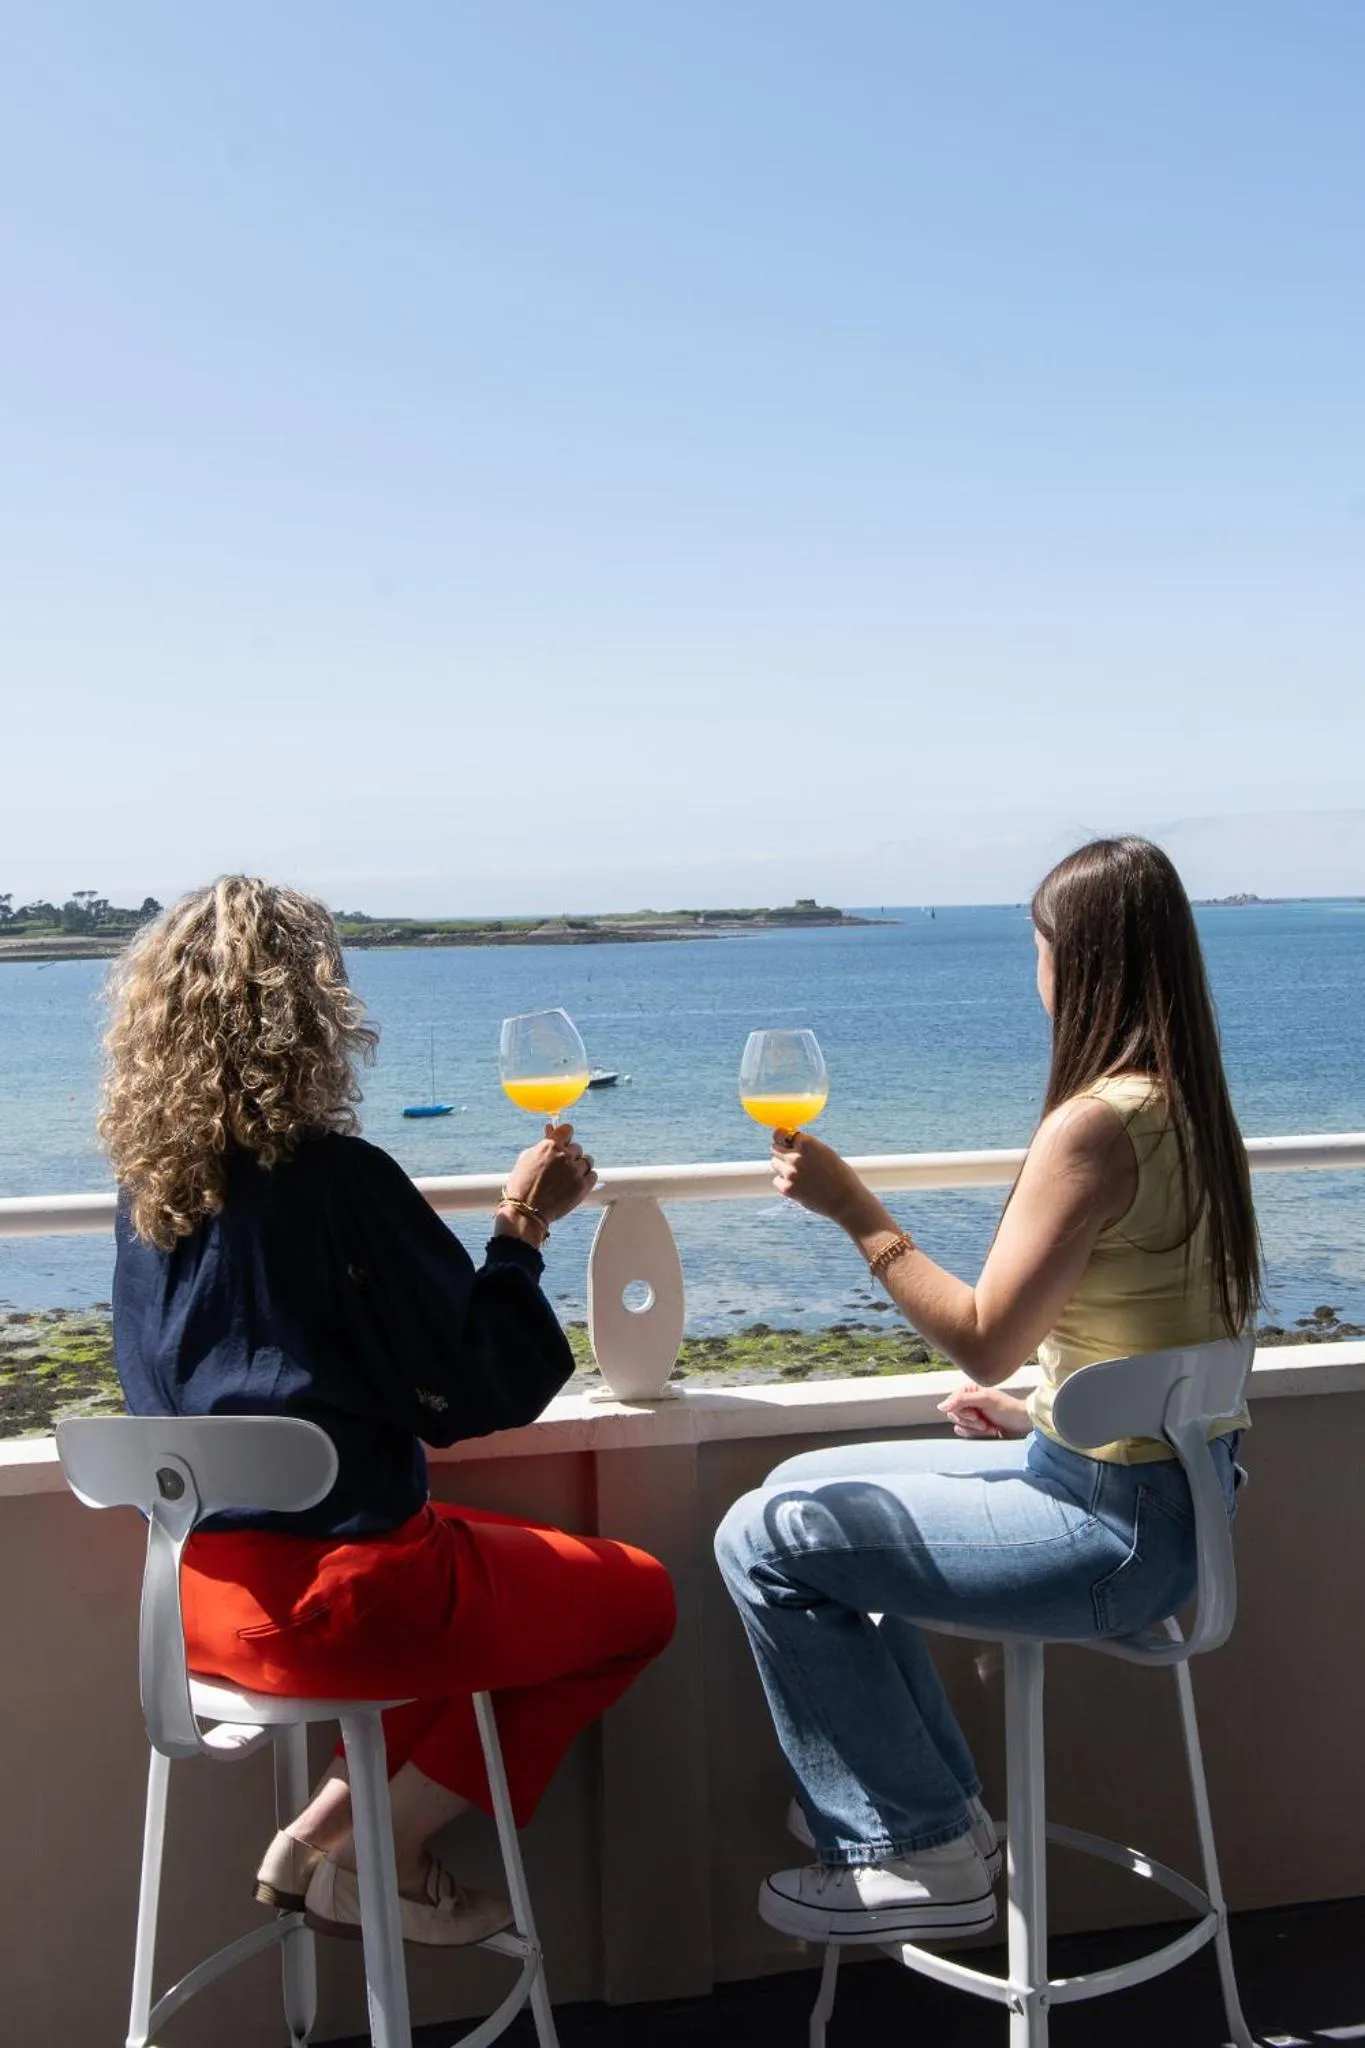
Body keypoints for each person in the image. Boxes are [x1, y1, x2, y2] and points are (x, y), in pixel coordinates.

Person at [101, 877, 675, 1946]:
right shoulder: (339, 1182)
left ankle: (320, 1833)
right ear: (313, 1017)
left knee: (475, 1559)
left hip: (193, 1610)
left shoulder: (149, 1199)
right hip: (344, 1612)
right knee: (638, 1598)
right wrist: (522, 1224)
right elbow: (480, 1385)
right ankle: (380, 1848)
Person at [714, 837, 1258, 1947]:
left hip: (1109, 1533)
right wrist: (1044, 1412)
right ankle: (932, 1814)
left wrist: (853, 1207)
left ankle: (919, 1846)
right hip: (1179, 1498)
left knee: (759, 1538)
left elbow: (982, 1340)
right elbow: (1155, 1328)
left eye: (1039, 949)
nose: (1034, 971)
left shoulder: (1094, 1123)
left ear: (1077, 961)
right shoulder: (1191, 1106)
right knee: (797, 1483)